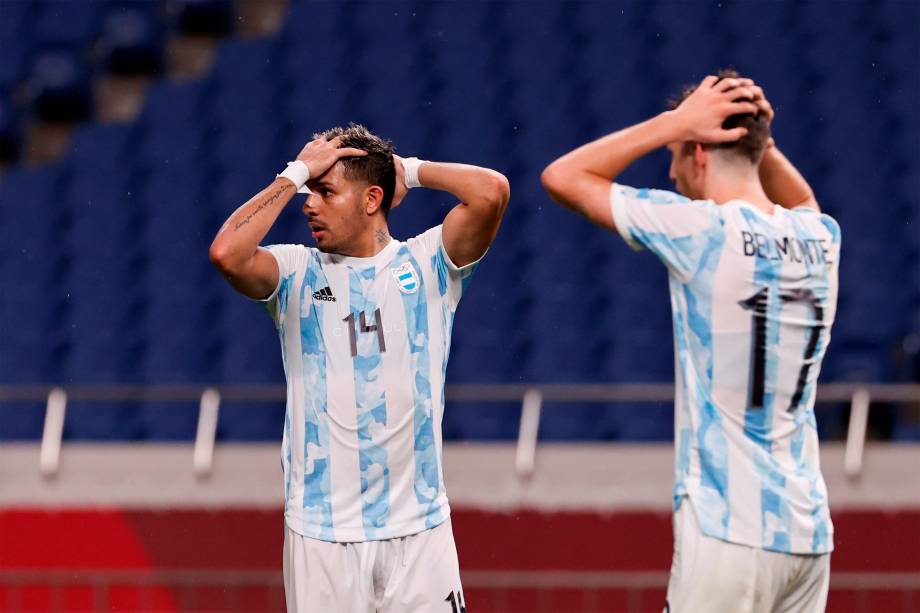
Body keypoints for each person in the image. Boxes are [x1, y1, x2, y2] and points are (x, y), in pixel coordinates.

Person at [541, 72, 839, 612]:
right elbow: (804, 200)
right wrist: (757, 137)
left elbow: (564, 176)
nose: (673, 173)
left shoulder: (701, 229)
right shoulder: (822, 237)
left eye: (677, 155)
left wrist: (673, 122)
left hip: (730, 530)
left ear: (699, 150)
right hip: (808, 533)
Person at [209, 123, 509, 612]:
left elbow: (491, 191)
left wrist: (408, 172)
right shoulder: (295, 274)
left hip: (419, 531)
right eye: (308, 192)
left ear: (372, 200)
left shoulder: (429, 263)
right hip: (320, 536)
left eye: (325, 192)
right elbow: (227, 252)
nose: (309, 203)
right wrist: (293, 174)